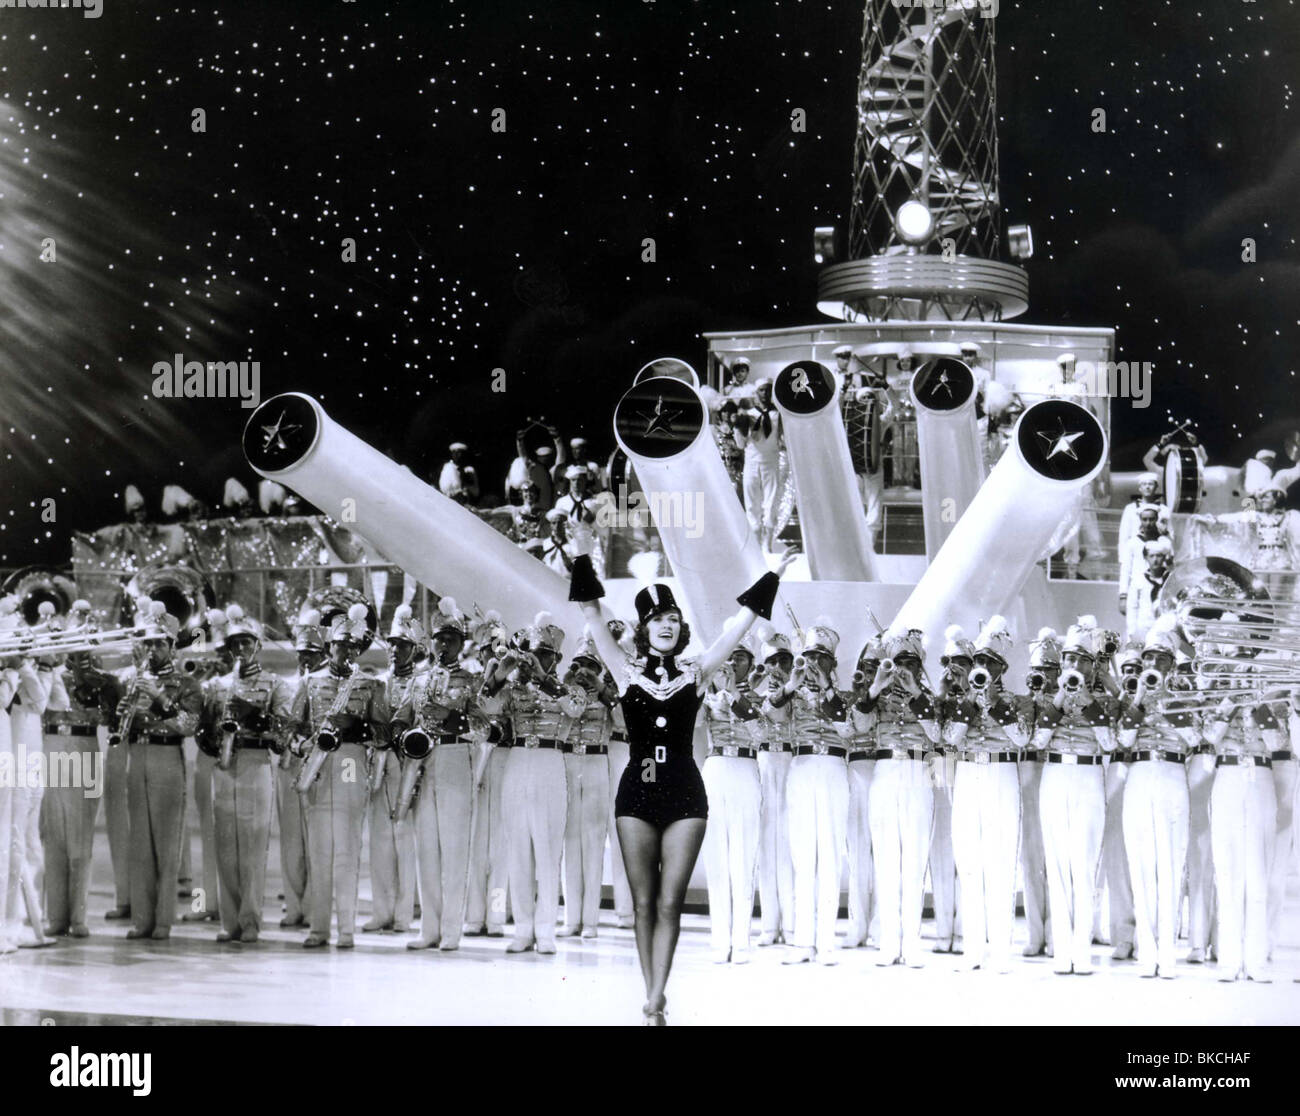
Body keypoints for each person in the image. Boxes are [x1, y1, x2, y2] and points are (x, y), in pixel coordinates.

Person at [569, 551, 792, 1024]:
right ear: (643, 628)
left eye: (673, 618)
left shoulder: (697, 670)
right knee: (643, 900)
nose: (667, 626)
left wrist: (773, 572)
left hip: (686, 795)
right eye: (657, 620)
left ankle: (656, 995)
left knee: (671, 901)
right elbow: (591, 609)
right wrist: (583, 554)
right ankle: (653, 997)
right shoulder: (624, 670)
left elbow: (739, 628)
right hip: (636, 793)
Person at [290, 603, 390, 949]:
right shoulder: (310, 682)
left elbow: (383, 734)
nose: (345, 651)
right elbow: (292, 729)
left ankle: (346, 929)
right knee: (319, 850)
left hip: (351, 759)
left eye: (352, 646)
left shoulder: (370, 684)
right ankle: (318, 928)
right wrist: (303, 746)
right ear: (328, 646)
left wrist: (359, 725)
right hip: (319, 763)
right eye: (339, 645)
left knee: (347, 848)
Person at [942, 617, 1031, 972]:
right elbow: (949, 738)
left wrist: (992, 702)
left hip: (1001, 771)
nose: (983, 669)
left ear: (1002, 669)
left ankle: (1000, 952)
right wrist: (969, 699)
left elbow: (1022, 738)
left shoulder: (1016, 700)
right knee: (969, 861)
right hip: (967, 772)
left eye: (990, 664)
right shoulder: (956, 698)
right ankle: (973, 950)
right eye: (979, 662)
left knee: (1000, 862)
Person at [478, 612, 570, 955]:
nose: (534, 659)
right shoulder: (512, 687)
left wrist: (545, 678)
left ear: (556, 658)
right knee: (518, 847)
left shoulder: (566, 686)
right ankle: (524, 929)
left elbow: (574, 708)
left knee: (547, 850)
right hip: (518, 760)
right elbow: (484, 706)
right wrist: (499, 674)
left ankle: (546, 930)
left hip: (550, 760)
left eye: (544, 654)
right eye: (531, 652)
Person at [394, 598, 481, 952]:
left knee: (455, 848)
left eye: (451, 639)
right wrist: (401, 732)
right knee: (425, 847)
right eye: (439, 639)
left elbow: (485, 724)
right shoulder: (419, 678)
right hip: (422, 761)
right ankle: (428, 928)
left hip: (455, 755)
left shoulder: (472, 678)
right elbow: (401, 715)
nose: (443, 645)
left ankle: (451, 931)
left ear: (461, 643)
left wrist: (453, 718)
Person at [1031, 619, 1116, 975]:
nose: (1073, 667)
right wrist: (1062, 700)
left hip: (1088, 774)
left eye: (1081, 660)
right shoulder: (1046, 695)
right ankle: (1061, 950)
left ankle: (1081, 951)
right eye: (1068, 659)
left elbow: (1111, 743)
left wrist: (1089, 703)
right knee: (1058, 862)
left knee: (1083, 866)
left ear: (1093, 664)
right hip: (1054, 774)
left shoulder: (1107, 698)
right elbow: (1036, 742)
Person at [115, 601, 204, 941]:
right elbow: (121, 724)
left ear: (171, 646)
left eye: (158, 644)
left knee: (167, 842)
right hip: (137, 754)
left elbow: (188, 725)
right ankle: (142, 919)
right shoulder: (132, 678)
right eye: (148, 643)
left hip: (168, 757)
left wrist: (159, 700)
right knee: (139, 841)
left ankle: (163, 920)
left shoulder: (187, 683)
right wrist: (124, 711)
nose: (152, 650)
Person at [766, 621, 853, 965]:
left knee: (830, 857)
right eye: (808, 657)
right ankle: (803, 941)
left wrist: (827, 688)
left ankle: (826, 942)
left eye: (821, 658)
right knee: (802, 857)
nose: (813, 664)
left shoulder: (843, 696)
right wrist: (792, 684)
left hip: (832, 768)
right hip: (800, 768)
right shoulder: (791, 694)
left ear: (832, 663)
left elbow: (848, 728)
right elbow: (771, 715)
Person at [208, 604, 292, 944]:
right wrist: (216, 734)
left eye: (246, 643)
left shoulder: (275, 684)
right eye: (235, 644)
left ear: (257, 645)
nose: (240, 649)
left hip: (256, 762)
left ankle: (251, 920)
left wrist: (257, 718)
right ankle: (230, 921)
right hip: (225, 764)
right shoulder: (217, 684)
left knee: (254, 847)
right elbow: (204, 730)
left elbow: (285, 734)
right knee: (225, 845)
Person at [1116, 617, 1194, 978]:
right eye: (1149, 658)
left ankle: (1169, 954)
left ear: (1172, 663)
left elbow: (1195, 738)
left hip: (1173, 774)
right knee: (1142, 864)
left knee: (1170, 865)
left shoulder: (1186, 694)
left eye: (1161, 659)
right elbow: (1124, 741)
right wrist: (1139, 700)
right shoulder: (1131, 693)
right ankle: (1147, 954)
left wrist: (1169, 701)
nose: (1152, 665)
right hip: (1140, 775)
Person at [861, 626, 940, 967]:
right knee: (887, 859)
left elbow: (939, 734)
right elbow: (860, 726)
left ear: (921, 666)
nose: (904, 669)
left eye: (911, 662)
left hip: (918, 772)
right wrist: (876, 684)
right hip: (885, 772)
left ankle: (912, 942)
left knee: (914, 859)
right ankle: (888, 942)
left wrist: (916, 694)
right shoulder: (875, 695)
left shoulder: (933, 696)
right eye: (898, 662)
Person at [1202, 657, 1281, 982]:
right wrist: (1230, 701)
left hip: (1261, 776)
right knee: (1228, 868)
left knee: (1257, 872)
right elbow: (1207, 737)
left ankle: (1256, 959)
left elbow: (1278, 744)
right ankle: (1230, 959)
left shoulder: (1274, 699)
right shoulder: (1216, 695)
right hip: (1228, 775)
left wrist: (1261, 704)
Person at [41, 612, 116, 938]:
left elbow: (110, 719)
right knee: (53, 832)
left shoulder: (102, 679)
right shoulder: (49, 671)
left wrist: (100, 685)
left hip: (85, 743)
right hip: (53, 742)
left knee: (82, 834)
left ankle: (79, 915)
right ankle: (55, 915)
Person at [699, 635, 763, 963]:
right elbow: (693, 724)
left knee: (743, 854)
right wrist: (704, 685)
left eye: (740, 657)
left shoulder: (762, 692)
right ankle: (719, 939)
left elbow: (761, 733)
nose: (733, 662)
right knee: (717, 856)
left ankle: (741, 940)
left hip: (747, 767)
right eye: (730, 656)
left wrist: (736, 696)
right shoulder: (708, 694)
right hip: (716, 766)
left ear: (751, 662)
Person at [365, 605, 422, 935]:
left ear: (414, 649)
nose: (396, 650)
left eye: (403, 644)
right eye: (393, 643)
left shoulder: (421, 682)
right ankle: (381, 911)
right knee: (379, 842)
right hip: (379, 766)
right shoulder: (377, 684)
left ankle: (404, 914)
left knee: (405, 840)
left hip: (407, 766)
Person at [556, 632, 616, 939]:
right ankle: (571, 918)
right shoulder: (565, 692)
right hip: (568, 761)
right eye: (578, 665)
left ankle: (590, 919)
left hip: (595, 762)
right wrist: (566, 685)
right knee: (570, 840)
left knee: (594, 841)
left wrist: (602, 689)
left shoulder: (609, 695)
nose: (583, 672)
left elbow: (623, 719)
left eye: (589, 666)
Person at [463, 609, 513, 938]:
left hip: (505, 762)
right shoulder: (466, 681)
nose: (493, 654)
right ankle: (472, 915)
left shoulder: (517, 684)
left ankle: (496, 915)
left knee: (501, 844)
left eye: (499, 647)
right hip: (471, 761)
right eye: (488, 648)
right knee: (473, 844)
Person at [277, 608, 326, 929]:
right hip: (290, 764)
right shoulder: (287, 685)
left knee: (317, 842)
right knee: (291, 840)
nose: (305, 660)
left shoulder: (324, 684)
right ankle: (293, 905)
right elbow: (280, 725)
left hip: (321, 766)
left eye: (312, 654)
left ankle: (314, 906)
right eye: (302, 654)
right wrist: (296, 744)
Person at [929, 624, 971, 954]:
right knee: (941, 846)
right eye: (947, 662)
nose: (952, 668)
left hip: (971, 766)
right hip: (941, 763)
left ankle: (965, 927)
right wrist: (943, 692)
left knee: (967, 849)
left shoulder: (980, 693)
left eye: (959, 663)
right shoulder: (938, 694)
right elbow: (935, 733)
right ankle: (944, 928)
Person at [752, 631, 796, 946]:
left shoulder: (802, 687)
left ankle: (792, 924)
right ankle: (769, 924)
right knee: (767, 844)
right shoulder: (756, 689)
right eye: (773, 661)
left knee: (793, 844)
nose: (778, 666)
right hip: (765, 760)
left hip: (794, 761)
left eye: (784, 660)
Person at [844, 636, 881, 949]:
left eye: (878, 666)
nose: (870, 671)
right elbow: (854, 728)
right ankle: (858, 924)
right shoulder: (851, 696)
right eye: (866, 666)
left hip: (886, 772)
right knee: (857, 854)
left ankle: (882, 925)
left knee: (885, 854)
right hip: (856, 772)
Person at [738, 378, 783, 551]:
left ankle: (767, 544)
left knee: (771, 503)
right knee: (751, 503)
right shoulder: (748, 414)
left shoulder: (777, 413)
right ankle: (755, 544)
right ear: (756, 393)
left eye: (768, 390)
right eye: (762, 390)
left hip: (770, 461)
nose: (765, 394)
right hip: (751, 462)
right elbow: (741, 443)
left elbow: (782, 437)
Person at [1123, 534, 1174, 644]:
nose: (1155, 560)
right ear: (1146, 558)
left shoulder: (1170, 579)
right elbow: (1132, 607)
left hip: (1164, 630)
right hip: (1143, 628)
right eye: (1152, 556)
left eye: (1159, 556)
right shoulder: (1138, 579)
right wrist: (1132, 632)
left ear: (1164, 557)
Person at [438, 442, 481, 506]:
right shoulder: (449, 467)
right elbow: (446, 488)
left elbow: (476, 492)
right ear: (452, 454)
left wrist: (469, 481)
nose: (458, 455)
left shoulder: (468, 470)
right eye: (455, 453)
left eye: (460, 453)